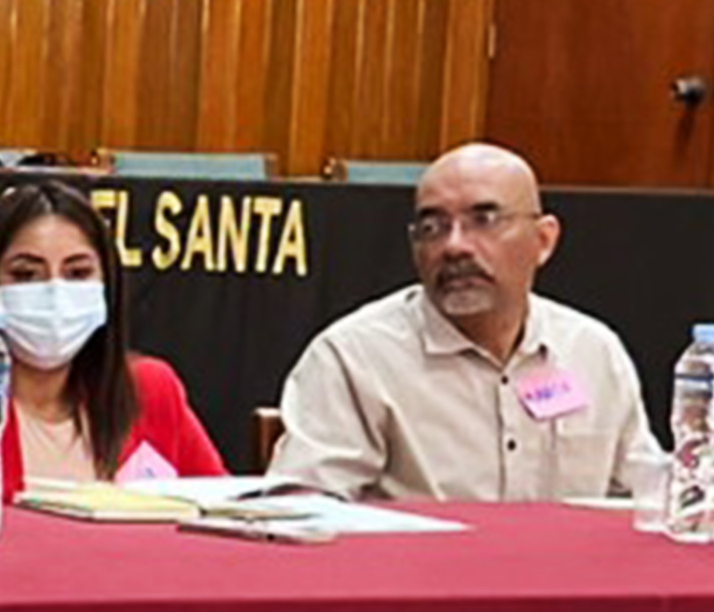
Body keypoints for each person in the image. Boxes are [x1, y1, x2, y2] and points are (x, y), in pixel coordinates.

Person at [269, 141, 650, 501]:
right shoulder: (354, 358)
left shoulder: (593, 352)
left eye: (484, 219)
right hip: (412, 569)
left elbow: (642, 499)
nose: (454, 246)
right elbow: (303, 509)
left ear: (543, 240)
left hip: (566, 569)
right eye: (432, 228)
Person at [0, 175, 226, 501]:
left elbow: (226, 515)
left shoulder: (150, 388)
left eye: (77, 273)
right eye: (26, 275)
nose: (54, 293)